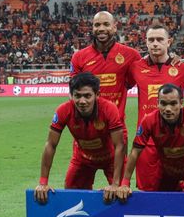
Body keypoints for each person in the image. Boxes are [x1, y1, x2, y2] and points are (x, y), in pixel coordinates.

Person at [129, 23, 184, 190]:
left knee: (181, 193)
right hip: (147, 142)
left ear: (169, 42)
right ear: (146, 42)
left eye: (159, 39)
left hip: (177, 142)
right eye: (151, 40)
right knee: (148, 193)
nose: (155, 43)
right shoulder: (135, 67)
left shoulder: (182, 68)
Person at [117, 84, 184, 204]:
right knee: (164, 205)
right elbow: (135, 151)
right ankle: (180, 187)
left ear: (181, 103)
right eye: (163, 103)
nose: (167, 109)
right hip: (168, 171)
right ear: (157, 103)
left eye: (173, 103)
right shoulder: (149, 121)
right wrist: (125, 183)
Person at [34, 72, 125, 204]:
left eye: (87, 96)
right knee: (72, 196)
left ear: (97, 95)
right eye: (77, 96)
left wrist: (116, 184)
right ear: (71, 95)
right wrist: (43, 182)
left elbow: (119, 146)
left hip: (111, 158)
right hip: (82, 159)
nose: (82, 101)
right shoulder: (63, 110)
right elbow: (50, 144)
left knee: (120, 196)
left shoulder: (109, 109)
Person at [70, 11, 141, 138]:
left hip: (116, 127)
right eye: (97, 25)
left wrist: (172, 59)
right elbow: (73, 92)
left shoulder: (132, 55)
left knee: (119, 158)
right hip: (88, 127)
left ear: (114, 27)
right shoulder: (79, 57)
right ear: (92, 28)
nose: (101, 28)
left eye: (106, 24)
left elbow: (133, 81)